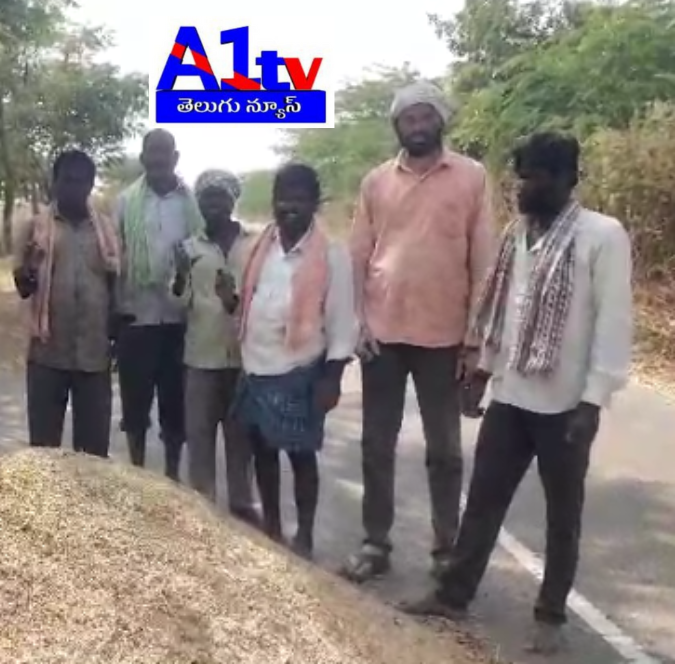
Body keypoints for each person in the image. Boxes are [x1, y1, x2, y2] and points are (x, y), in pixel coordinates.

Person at [400, 132, 632, 654]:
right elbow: (504, 310)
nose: (527, 186)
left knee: (562, 515)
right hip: (512, 393)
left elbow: (613, 324)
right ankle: (453, 593)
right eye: (523, 175)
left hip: (567, 403)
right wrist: (481, 372)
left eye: (540, 176)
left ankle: (550, 614)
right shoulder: (516, 235)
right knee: (482, 500)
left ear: (570, 179)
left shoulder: (603, 236)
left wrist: (594, 401)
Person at [341, 81, 497, 583]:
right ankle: (374, 541)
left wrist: (475, 342)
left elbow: (485, 261)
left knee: (446, 452)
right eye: (408, 119)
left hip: (444, 333)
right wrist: (356, 324)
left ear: (440, 122)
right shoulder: (375, 183)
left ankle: (445, 549)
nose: (417, 126)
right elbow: (357, 257)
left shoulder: (471, 178)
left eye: (426, 117)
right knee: (375, 445)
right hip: (383, 332)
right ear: (397, 126)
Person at [228, 164, 356, 558]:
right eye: (283, 198)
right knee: (263, 452)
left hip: (300, 369)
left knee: (301, 455)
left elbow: (340, 320)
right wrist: (228, 301)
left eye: (300, 198)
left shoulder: (331, 255)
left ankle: (304, 536)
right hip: (256, 366)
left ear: (315, 203)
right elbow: (246, 304)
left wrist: (332, 378)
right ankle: (271, 527)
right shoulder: (257, 249)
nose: (290, 206)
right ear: (273, 202)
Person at [13, 150, 120, 457]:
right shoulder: (34, 228)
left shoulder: (107, 229)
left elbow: (114, 283)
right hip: (47, 352)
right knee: (44, 452)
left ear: (90, 184)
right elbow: (23, 289)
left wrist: (116, 334)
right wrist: (30, 269)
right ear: (55, 183)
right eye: (67, 180)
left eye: (81, 181)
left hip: (94, 353)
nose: (74, 187)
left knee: (93, 453)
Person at [114, 129, 204, 479]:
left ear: (175, 158)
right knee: (135, 407)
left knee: (174, 404)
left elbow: (200, 249)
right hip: (136, 319)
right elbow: (114, 257)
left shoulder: (190, 203)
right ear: (143, 158)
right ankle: (138, 476)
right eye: (152, 153)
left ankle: (170, 477)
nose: (158, 160)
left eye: (164, 153)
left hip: (179, 321)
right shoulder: (125, 202)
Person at [171, 169, 257, 520]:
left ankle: (241, 505)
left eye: (221, 196)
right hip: (201, 356)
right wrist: (179, 275)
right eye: (207, 197)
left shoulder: (253, 245)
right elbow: (178, 301)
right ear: (199, 202)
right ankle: (202, 508)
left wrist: (232, 298)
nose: (214, 204)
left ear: (233, 200)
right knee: (200, 435)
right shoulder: (189, 248)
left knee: (241, 438)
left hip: (243, 358)